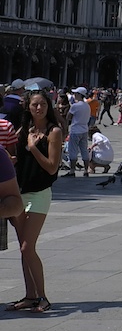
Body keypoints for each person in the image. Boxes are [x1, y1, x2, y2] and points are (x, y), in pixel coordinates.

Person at [9, 90, 63, 312]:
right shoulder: (24, 130)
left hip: (40, 193)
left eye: (42, 104)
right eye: (34, 105)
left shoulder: (54, 132)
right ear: (28, 108)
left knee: (27, 246)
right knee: (24, 249)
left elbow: (52, 167)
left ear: (48, 107)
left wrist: (33, 148)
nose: (39, 108)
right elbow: (15, 158)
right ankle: (30, 295)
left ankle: (43, 297)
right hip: (20, 192)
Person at [66, 87, 91, 175]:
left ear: (79, 95)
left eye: (76, 94)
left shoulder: (75, 106)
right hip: (84, 129)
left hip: (75, 130)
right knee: (84, 150)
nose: (74, 95)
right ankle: (86, 170)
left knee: (73, 150)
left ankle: (72, 170)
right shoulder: (87, 105)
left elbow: (68, 117)